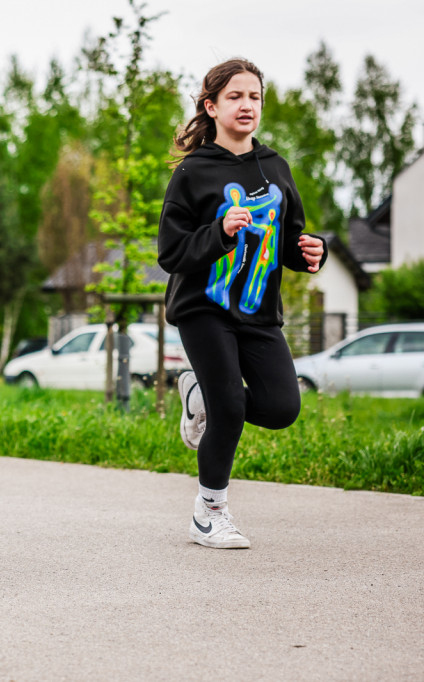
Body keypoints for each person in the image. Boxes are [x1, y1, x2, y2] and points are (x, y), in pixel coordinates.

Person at [157, 58, 327, 549]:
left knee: (280, 406)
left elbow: (288, 240)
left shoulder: (275, 166)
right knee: (229, 406)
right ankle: (209, 513)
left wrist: (310, 250)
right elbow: (171, 253)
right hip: (202, 307)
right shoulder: (193, 171)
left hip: (258, 311)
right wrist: (219, 232)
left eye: (254, 96)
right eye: (235, 97)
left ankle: (198, 395)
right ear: (211, 107)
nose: (246, 105)